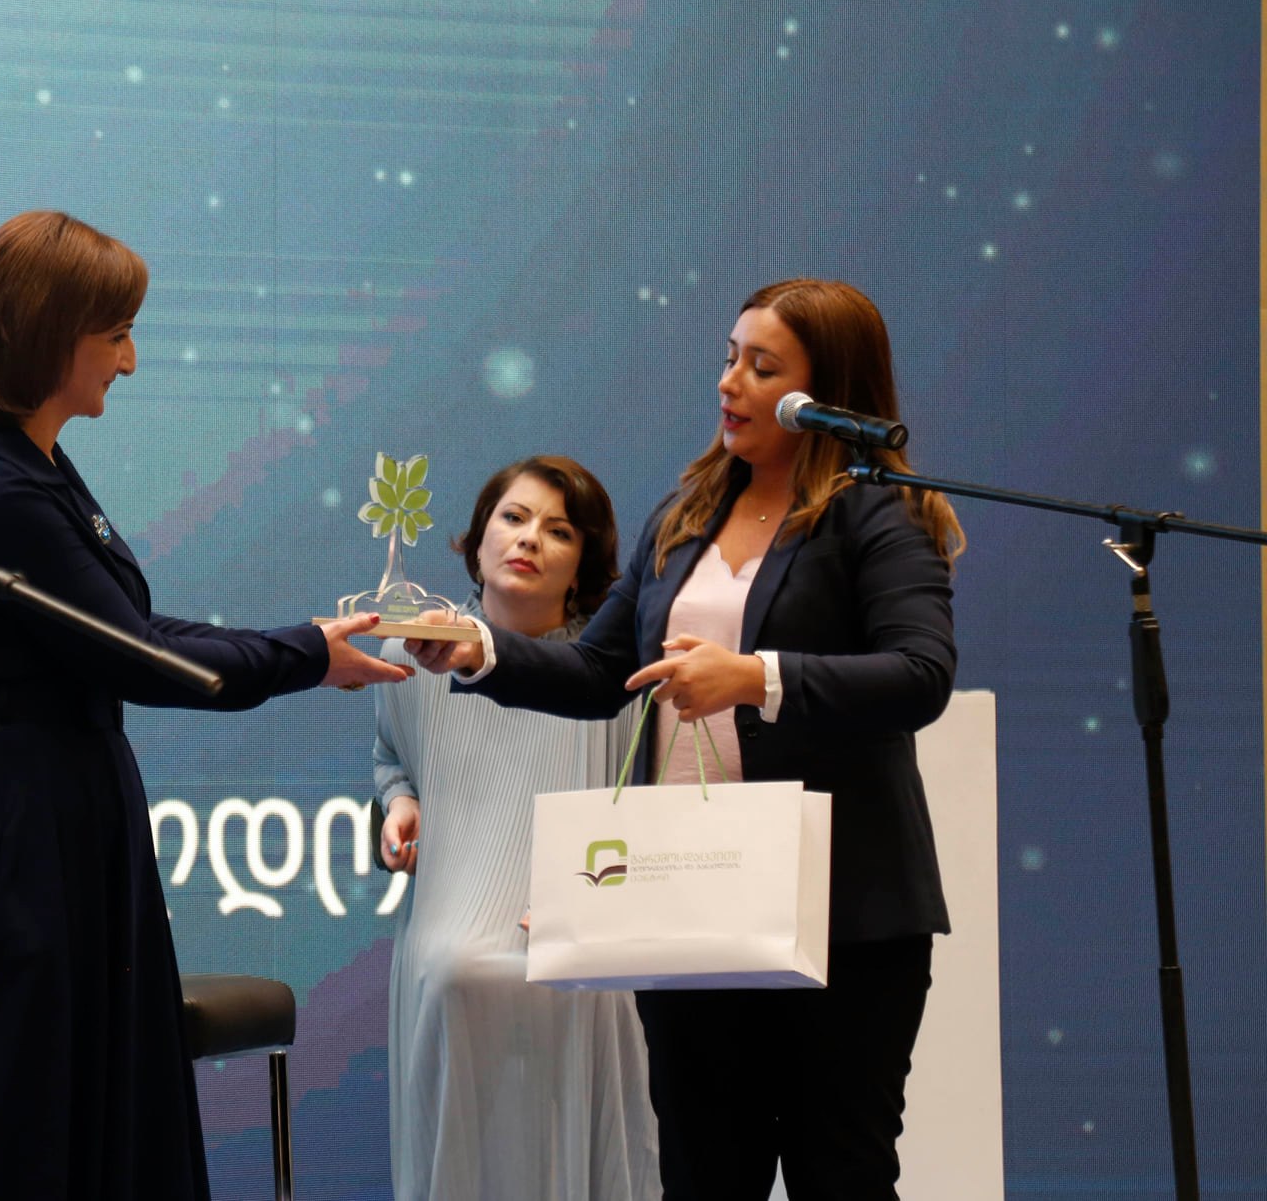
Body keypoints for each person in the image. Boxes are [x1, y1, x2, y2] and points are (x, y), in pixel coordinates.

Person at [0, 210, 410, 1201]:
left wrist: (305, 645)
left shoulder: (29, 465)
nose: (130, 361)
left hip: (58, 813)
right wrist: (305, 656)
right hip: (24, 834)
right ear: (52, 334)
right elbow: (142, 659)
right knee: (26, 1112)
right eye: (116, 335)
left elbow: (125, 629)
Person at [409, 278, 962, 1201]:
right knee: (704, 1175)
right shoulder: (686, 513)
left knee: (843, 1174)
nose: (729, 383)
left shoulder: (878, 513)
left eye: (763, 367)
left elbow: (920, 674)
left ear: (827, 393)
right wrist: (480, 649)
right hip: (692, 905)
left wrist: (754, 676)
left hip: (845, 917)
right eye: (730, 357)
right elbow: (599, 673)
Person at [373, 455, 660, 1201]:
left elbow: (645, 815)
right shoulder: (411, 653)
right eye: (514, 517)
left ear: (584, 566)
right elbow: (392, 760)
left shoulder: (619, 680)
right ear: (477, 543)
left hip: (578, 942)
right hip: (447, 935)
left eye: (558, 530)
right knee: (453, 976)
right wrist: (400, 803)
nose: (530, 538)